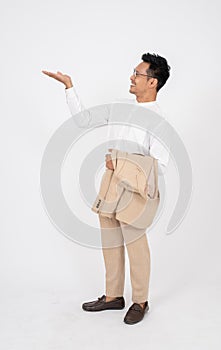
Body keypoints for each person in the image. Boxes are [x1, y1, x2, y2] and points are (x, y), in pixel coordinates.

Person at [42, 53, 171, 325]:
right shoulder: (119, 107)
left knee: (136, 246)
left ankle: (140, 300)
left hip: (136, 189)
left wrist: (121, 162)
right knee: (110, 242)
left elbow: (161, 163)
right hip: (111, 181)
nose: (132, 78)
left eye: (138, 74)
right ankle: (114, 296)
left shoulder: (159, 120)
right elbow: (84, 120)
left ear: (153, 82)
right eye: (133, 72)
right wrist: (69, 86)